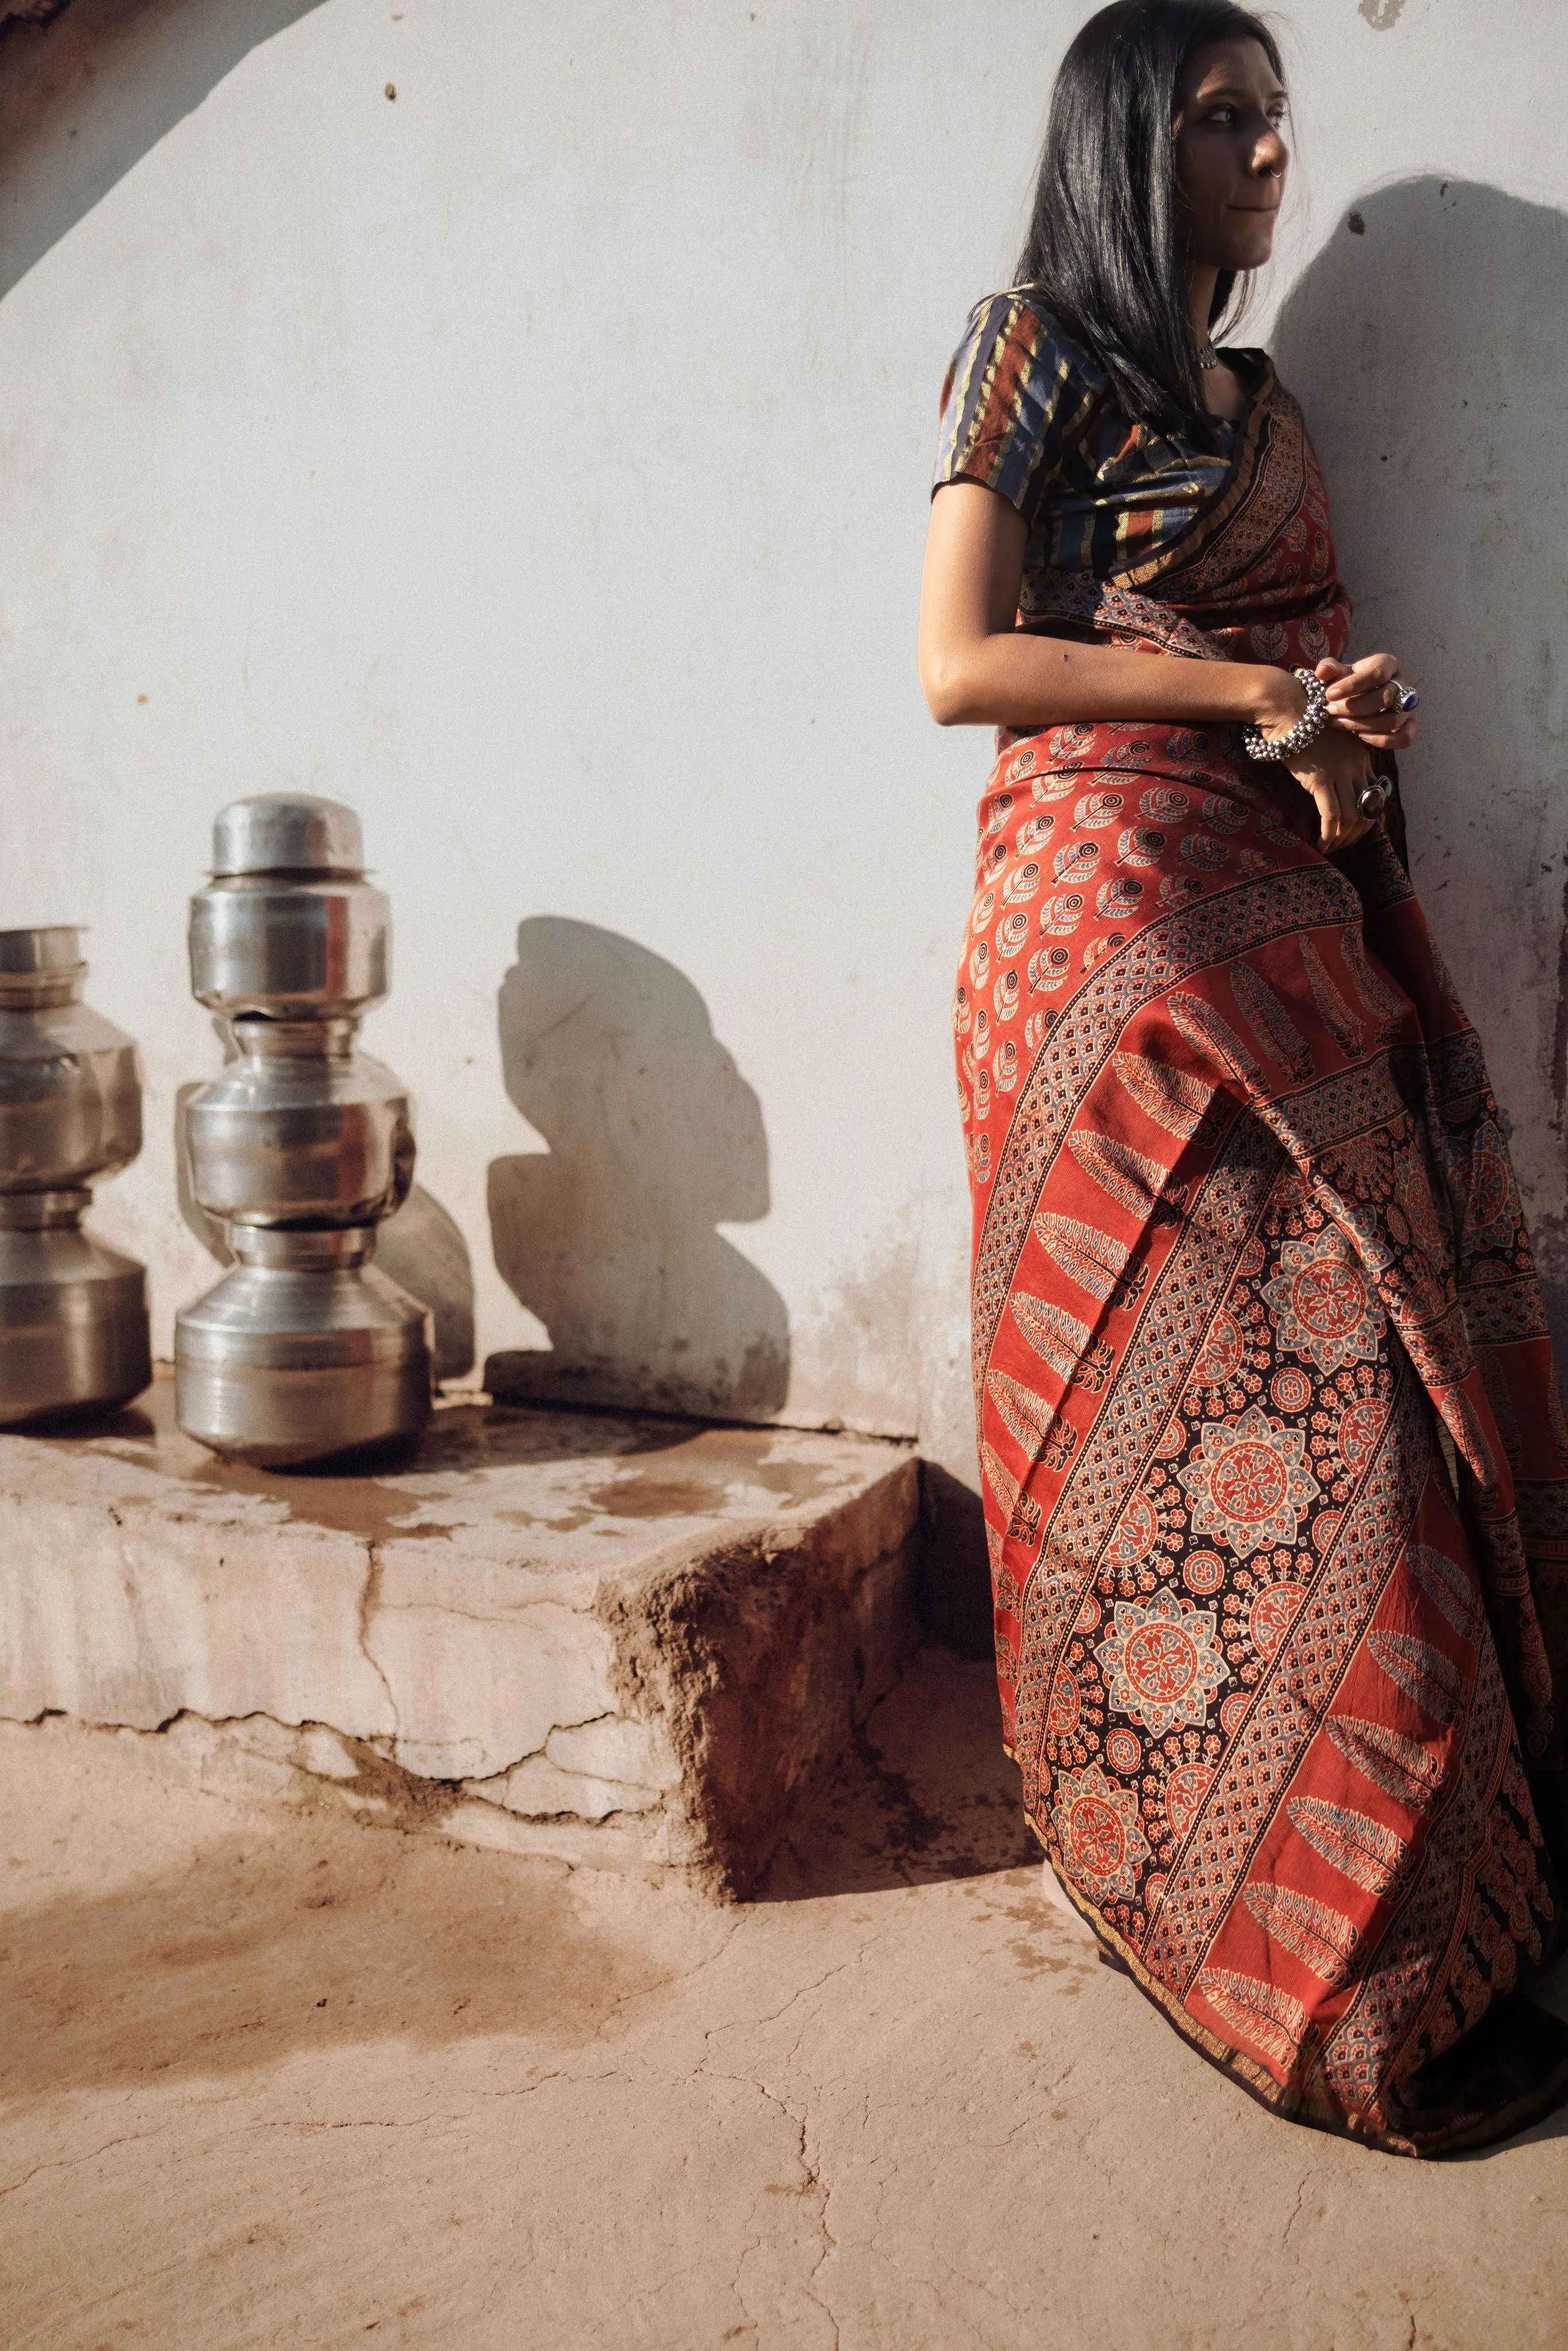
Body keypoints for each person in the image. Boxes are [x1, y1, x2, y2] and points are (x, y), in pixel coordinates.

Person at [919, 0, 1568, 2154]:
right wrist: (1240, 687)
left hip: (1285, 921)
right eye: (1222, 122)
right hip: (1107, 936)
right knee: (1173, 1413)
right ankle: (1221, 1924)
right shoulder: (1037, 348)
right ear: (1128, 137)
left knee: (1355, 1411)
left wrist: (1334, 728)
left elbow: (1295, 683)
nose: (1268, 162)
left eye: (1280, 125)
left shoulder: (1258, 404)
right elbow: (958, 659)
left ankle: (1424, 1943)